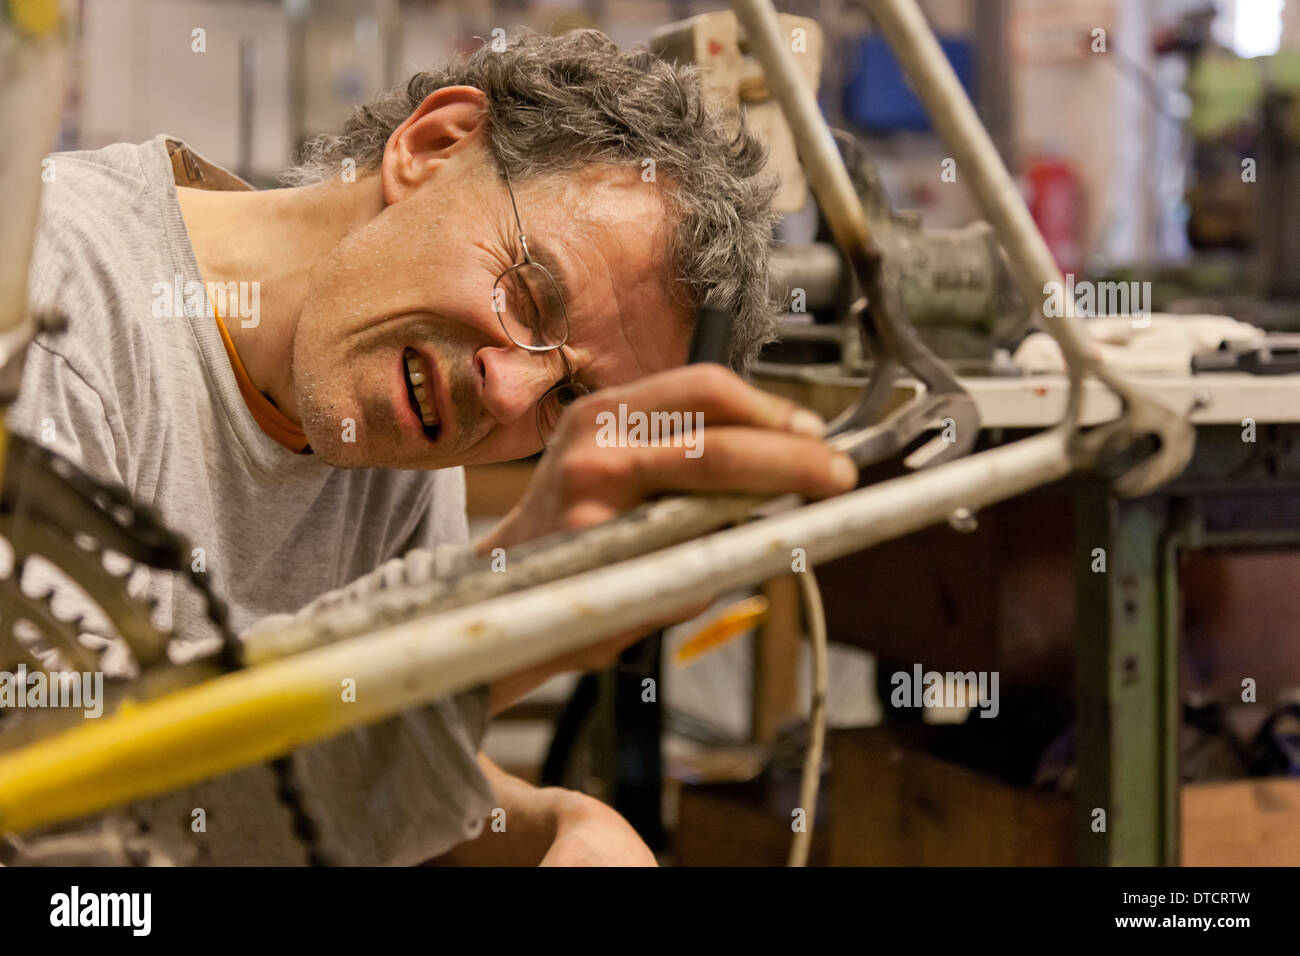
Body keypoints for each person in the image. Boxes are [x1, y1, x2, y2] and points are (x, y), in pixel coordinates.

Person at [9, 28, 857, 866]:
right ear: (432, 144)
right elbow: (60, 823)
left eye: (568, 398)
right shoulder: (49, 316)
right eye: (532, 297)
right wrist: (506, 601)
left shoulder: (399, 413)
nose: (510, 391)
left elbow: (360, 754)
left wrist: (549, 824)